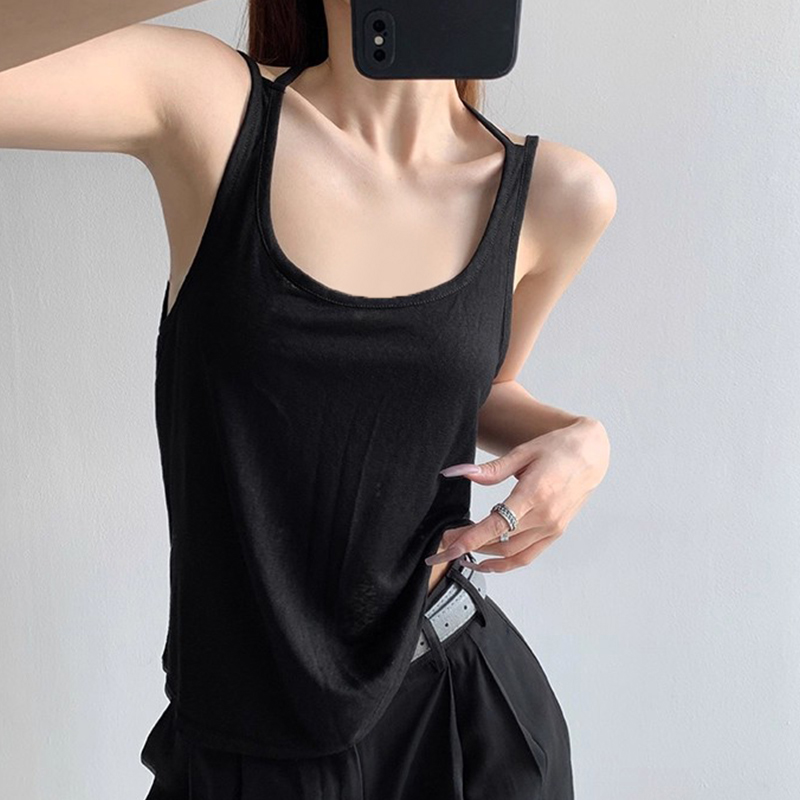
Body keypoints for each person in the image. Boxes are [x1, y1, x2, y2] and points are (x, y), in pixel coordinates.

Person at [1, 1, 615, 797]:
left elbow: (479, 389)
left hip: (457, 716)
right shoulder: (209, 107)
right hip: (242, 740)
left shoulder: (557, 195)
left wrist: (583, 439)